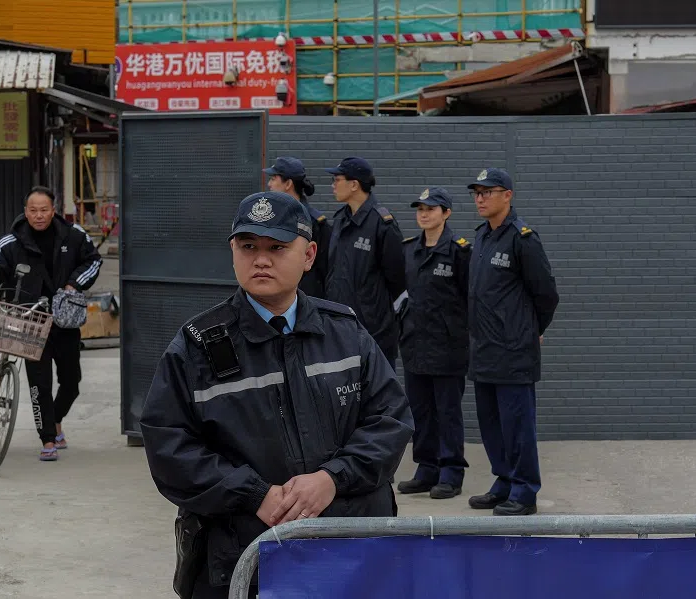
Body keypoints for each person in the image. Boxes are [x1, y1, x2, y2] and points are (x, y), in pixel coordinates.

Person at [140, 191, 414, 599]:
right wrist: (254, 495)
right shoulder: (197, 348)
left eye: (277, 247)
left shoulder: (345, 333)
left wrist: (332, 479)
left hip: (350, 554)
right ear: (232, 251)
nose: (261, 259)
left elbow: (390, 420)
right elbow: (169, 447)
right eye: (248, 246)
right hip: (244, 565)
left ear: (308, 255)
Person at [0, 186, 103, 461]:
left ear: (53, 210)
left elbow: (93, 261)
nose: (38, 215)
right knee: (39, 384)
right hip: (29, 320)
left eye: (44, 210)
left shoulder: (74, 236)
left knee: (71, 382)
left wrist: (73, 284)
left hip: (63, 320)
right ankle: (48, 438)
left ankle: (55, 418)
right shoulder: (13, 242)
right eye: (33, 210)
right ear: (25, 211)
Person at [466, 168, 559, 516]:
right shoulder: (481, 237)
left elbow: (546, 294)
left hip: (514, 351)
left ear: (507, 195)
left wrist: (533, 329)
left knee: (517, 426)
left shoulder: (523, 239)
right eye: (477, 193)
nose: (480, 198)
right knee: (491, 425)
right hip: (484, 350)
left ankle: (523, 491)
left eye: (488, 192)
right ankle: (503, 480)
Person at [396, 187, 471, 499]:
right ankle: (426, 469)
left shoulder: (459, 250)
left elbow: (472, 298)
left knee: (447, 412)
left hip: (447, 347)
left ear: (446, 213)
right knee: (421, 411)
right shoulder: (410, 250)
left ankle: (451, 473)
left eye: (431, 208)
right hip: (415, 344)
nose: (424, 214)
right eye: (420, 209)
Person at [324, 157, 405, 370]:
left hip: (373, 331)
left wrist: (374, 314)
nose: (333, 184)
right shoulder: (340, 219)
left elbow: (397, 280)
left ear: (354, 184)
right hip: (339, 327)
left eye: (337, 179)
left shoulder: (382, 224)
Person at [264, 156, 331, 298]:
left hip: (306, 301)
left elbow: (325, 269)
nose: (269, 184)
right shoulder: (271, 218)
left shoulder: (315, 223)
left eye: (273, 178)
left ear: (288, 183)